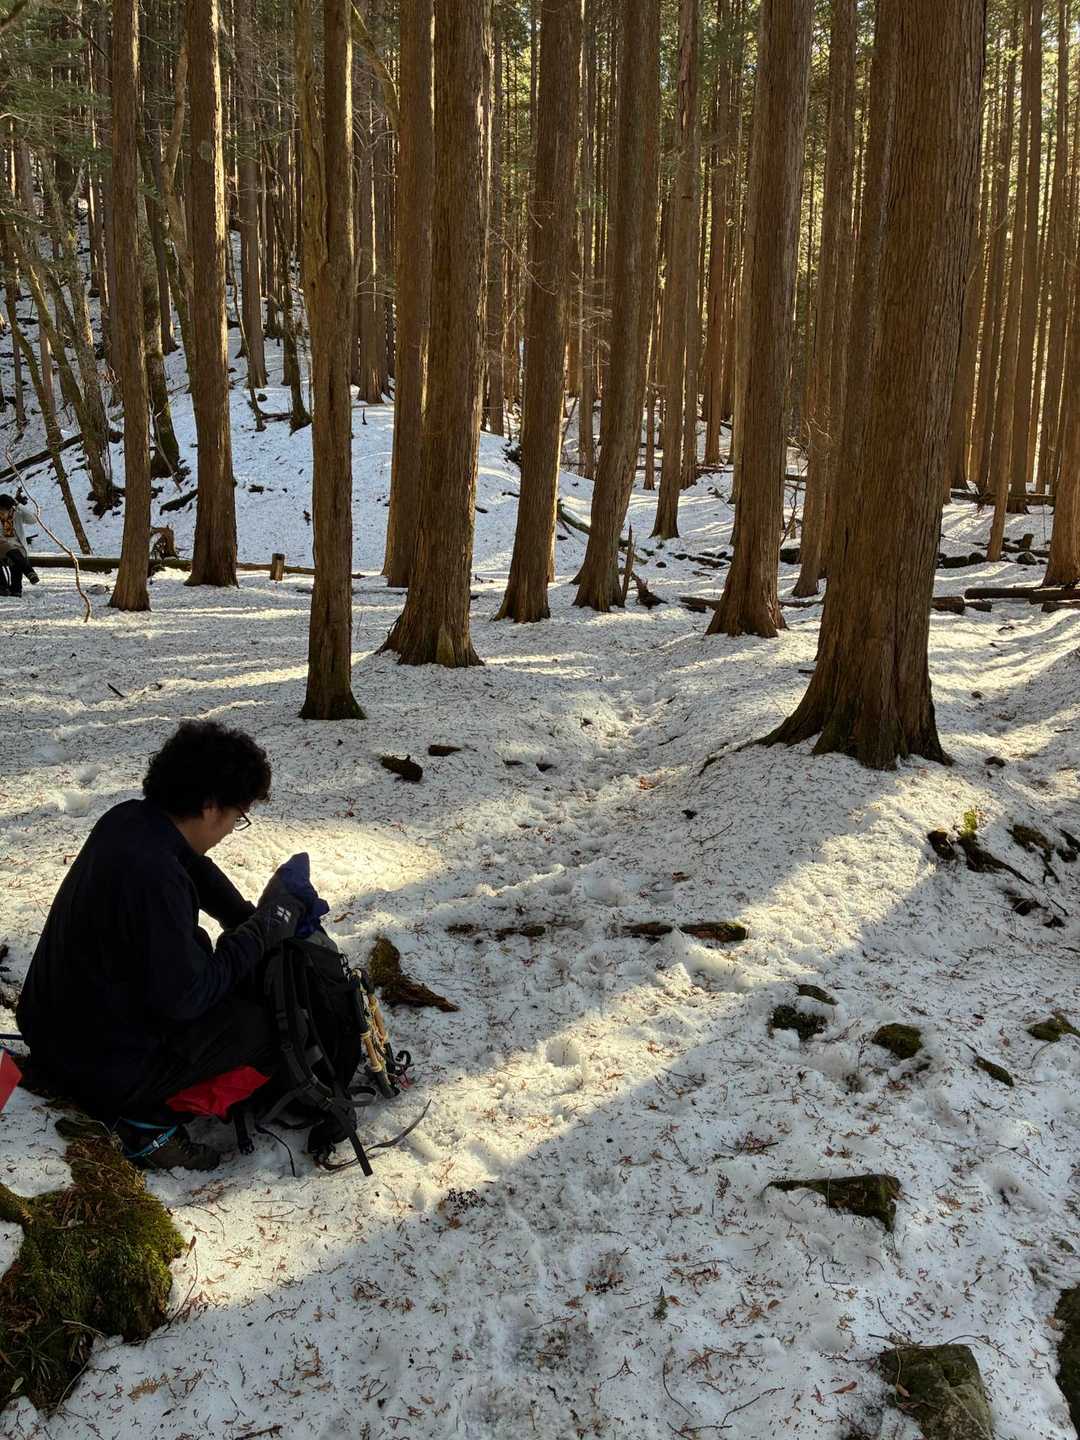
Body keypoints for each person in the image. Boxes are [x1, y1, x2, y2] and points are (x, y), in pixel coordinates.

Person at [16, 720, 309, 1170]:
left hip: (52, 1027)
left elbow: (193, 866)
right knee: (264, 1032)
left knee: (205, 955)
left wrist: (242, 916)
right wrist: (258, 934)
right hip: (96, 1066)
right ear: (210, 806)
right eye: (237, 817)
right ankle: (148, 1122)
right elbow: (188, 998)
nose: (232, 828)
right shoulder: (155, 878)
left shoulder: (130, 821)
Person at [0, 491, 40, 597]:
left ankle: (16, 590)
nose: (3, 512)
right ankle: (29, 572)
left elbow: (34, 519)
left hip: (17, 547)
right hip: (1, 547)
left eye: (5, 510)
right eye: (1, 510)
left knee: (15, 556)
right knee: (7, 546)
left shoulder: (17, 513)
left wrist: (18, 505)